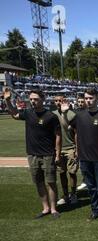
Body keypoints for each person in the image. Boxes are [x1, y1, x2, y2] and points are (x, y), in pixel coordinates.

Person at [3, 87, 61, 219]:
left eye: (35, 99)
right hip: (32, 154)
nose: (33, 102)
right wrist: (7, 100)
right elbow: (14, 114)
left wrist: (57, 154)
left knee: (51, 182)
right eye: (31, 99)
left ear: (43, 99)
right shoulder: (28, 113)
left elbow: (58, 136)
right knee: (39, 182)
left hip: (48, 154)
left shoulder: (51, 116)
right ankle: (45, 208)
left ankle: (53, 209)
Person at [70, 88, 98, 222]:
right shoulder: (79, 115)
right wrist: (77, 150)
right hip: (84, 158)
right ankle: (95, 210)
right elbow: (76, 134)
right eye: (86, 98)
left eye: (91, 98)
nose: (88, 101)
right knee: (91, 187)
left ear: (97, 98)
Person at [52, 95, 79, 205]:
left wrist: (77, 148)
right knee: (62, 173)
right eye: (56, 101)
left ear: (64, 101)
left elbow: (76, 133)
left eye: (60, 100)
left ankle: (73, 194)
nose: (58, 102)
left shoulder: (72, 114)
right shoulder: (52, 115)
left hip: (70, 147)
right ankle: (65, 195)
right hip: (58, 149)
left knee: (72, 172)